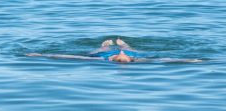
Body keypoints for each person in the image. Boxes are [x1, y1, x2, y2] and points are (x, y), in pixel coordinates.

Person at [26, 38, 202, 64]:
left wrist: (41, 55)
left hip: (103, 55)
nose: (122, 55)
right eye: (122, 55)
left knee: (97, 51)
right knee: (132, 49)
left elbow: (66, 56)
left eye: (121, 55)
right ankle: (124, 45)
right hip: (135, 55)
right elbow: (167, 59)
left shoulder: (102, 59)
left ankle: (105, 46)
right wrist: (192, 60)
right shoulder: (139, 60)